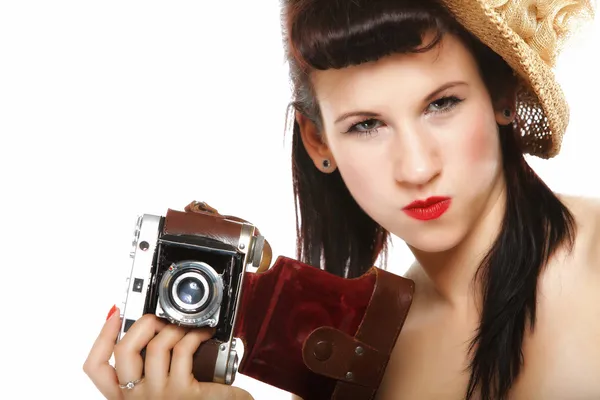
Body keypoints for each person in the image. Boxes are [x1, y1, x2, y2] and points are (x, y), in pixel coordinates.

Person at [84, 0, 599, 398]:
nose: (417, 167)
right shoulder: (355, 358)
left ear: (502, 95)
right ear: (319, 142)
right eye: (367, 125)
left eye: (442, 104)